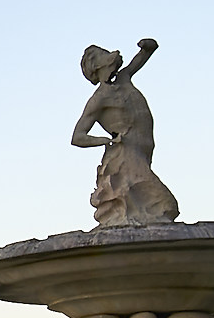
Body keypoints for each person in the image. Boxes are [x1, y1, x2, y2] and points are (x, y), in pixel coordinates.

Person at [72, 38, 179, 227]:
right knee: (164, 204)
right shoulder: (99, 98)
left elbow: (145, 54)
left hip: (142, 150)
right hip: (124, 155)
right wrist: (105, 140)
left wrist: (147, 47)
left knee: (148, 209)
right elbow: (77, 137)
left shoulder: (124, 77)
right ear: (97, 66)